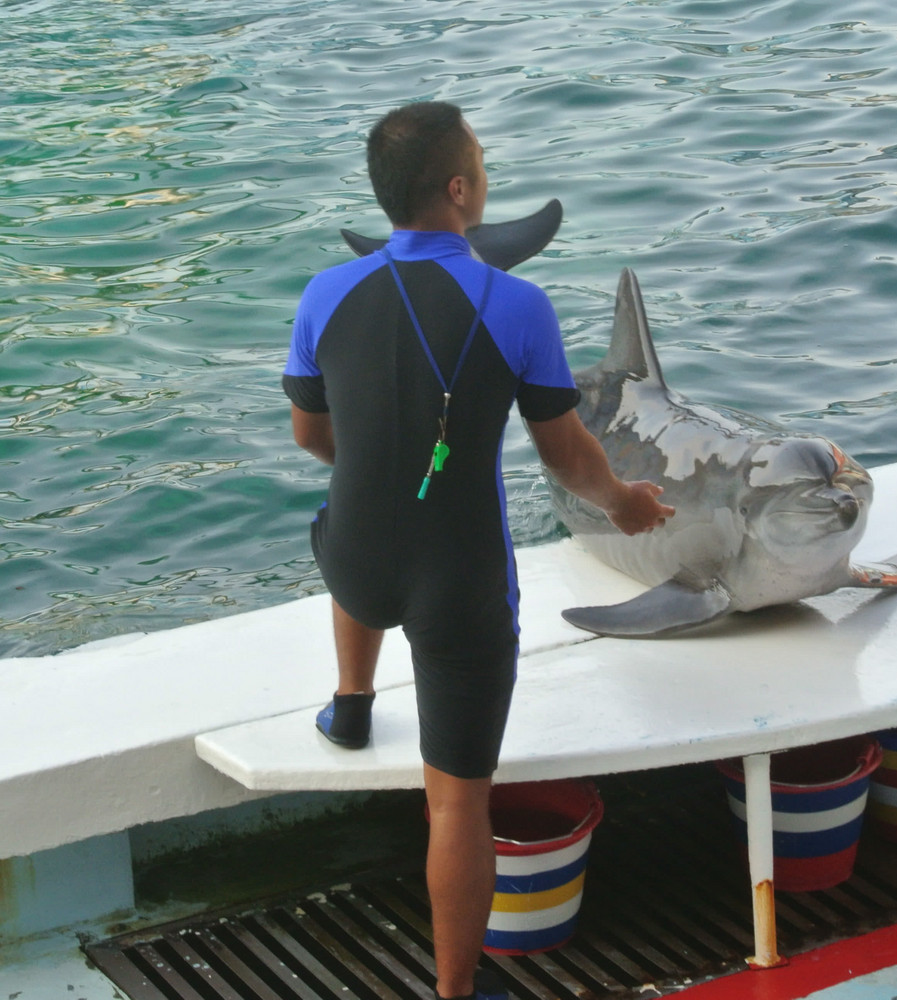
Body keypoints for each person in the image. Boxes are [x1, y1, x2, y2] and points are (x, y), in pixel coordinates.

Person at [282, 101, 673, 1000]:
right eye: (484, 166)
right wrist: (626, 503)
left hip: (354, 564)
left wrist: (384, 468)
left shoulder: (323, 294)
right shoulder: (516, 303)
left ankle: (351, 703)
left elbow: (311, 435)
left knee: (349, 511)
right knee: (457, 800)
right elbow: (565, 455)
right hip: (456, 583)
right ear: (459, 191)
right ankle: (455, 993)